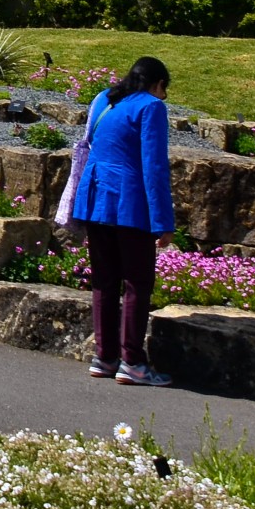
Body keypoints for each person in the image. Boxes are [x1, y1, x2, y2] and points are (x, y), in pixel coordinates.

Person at [72, 56, 176, 386]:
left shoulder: (104, 99)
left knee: (104, 280)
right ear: (157, 84)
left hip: (94, 198)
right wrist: (163, 221)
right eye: (164, 90)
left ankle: (105, 356)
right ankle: (132, 361)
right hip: (129, 204)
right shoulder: (151, 108)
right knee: (136, 282)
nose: (163, 97)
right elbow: (154, 165)